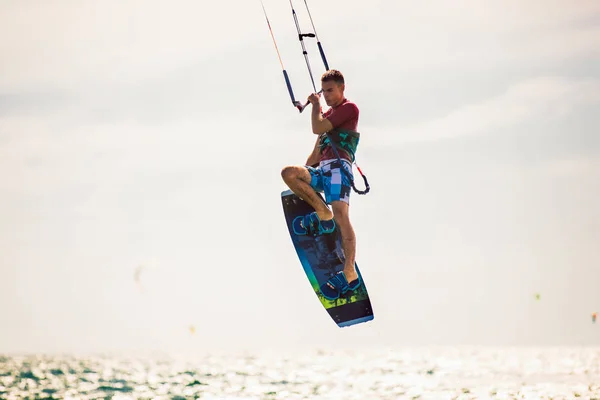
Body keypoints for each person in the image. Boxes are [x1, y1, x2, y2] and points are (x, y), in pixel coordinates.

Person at [281, 69, 361, 300]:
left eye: (330, 90)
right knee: (289, 172)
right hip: (322, 169)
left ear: (342, 88)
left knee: (341, 216)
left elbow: (316, 127)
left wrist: (314, 105)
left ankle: (349, 272)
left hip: (339, 168)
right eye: (323, 91)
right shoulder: (327, 116)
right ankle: (321, 213)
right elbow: (315, 154)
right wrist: (302, 182)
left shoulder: (349, 108)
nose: (326, 95)